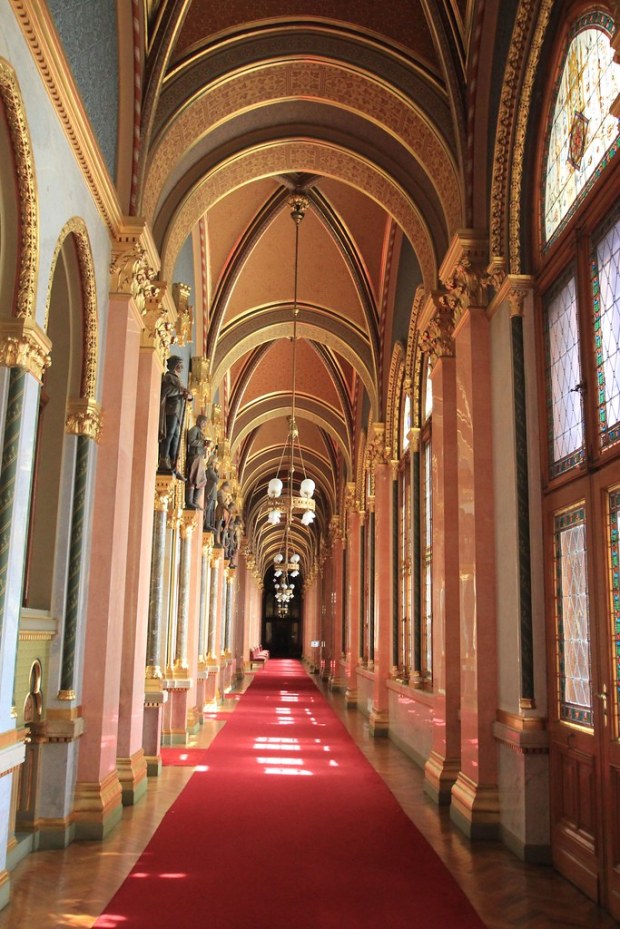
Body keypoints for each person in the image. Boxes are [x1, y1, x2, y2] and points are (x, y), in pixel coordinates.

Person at [158, 355, 192, 477]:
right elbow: (165, 391)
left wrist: (189, 395)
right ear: (175, 365)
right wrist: (180, 392)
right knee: (170, 433)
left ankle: (173, 463)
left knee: (176, 437)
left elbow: (188, 395)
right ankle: (163, 459)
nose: (182, 367)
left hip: (177, 411)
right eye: (180, 364)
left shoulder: (178, 379)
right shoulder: (169, 377)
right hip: (171, 410)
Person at [185, 415, 210, 509]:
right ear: (198, 421)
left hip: (199, 458)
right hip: (194, 457)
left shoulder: (200, 432)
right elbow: (191, 441)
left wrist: (205, 445)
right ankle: (189, 501)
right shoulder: (194, 429)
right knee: (193, 478)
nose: (204, 425)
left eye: (206, 423)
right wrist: (203, 443)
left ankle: (194, 501)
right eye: (203, 422)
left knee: (202, 480)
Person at [203, 452, 219, 531]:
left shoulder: (213, 471)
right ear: (212, 462)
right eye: (215, 462)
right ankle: (207, 524)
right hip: (210, 492)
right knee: (209, 508)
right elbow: (216, 480)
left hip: (213, 493)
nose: (216, 464)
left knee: (212, 509)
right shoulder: (209, 471)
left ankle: (210, 523)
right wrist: (216, 471)